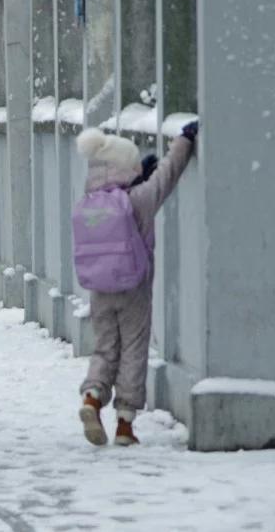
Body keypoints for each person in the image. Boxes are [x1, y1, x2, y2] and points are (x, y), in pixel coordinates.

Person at [74, 121, 198, 447]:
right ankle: (125, 426)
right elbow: (167, 175)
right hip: (134, 289)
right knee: (133, 350)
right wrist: (185, 140)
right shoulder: (140, 199)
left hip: (99, 287)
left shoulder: (89, 202)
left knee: (105, 348)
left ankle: (91, 397)